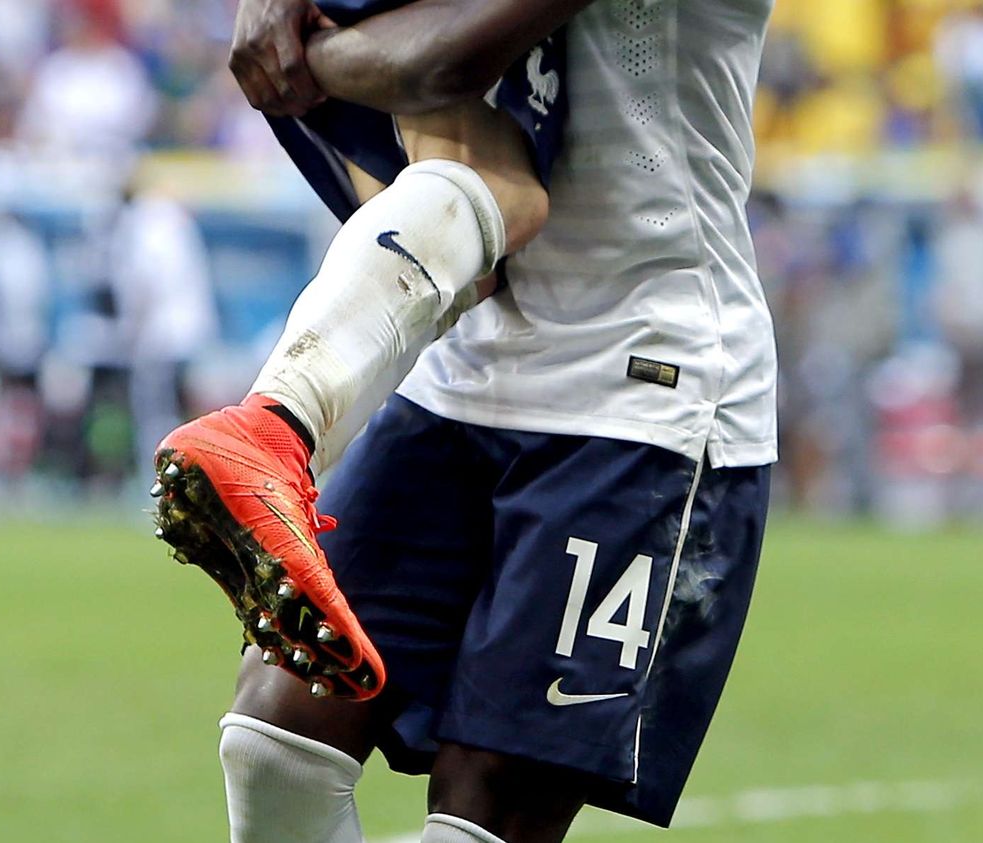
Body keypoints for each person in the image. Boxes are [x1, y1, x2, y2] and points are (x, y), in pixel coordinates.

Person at [152, 0, 777, 840]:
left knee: (487, 800)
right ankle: (271, 430)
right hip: (463, 369)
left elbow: (439, 63)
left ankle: (275, 427)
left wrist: (296, 53)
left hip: (644, 389)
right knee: (276, 739)